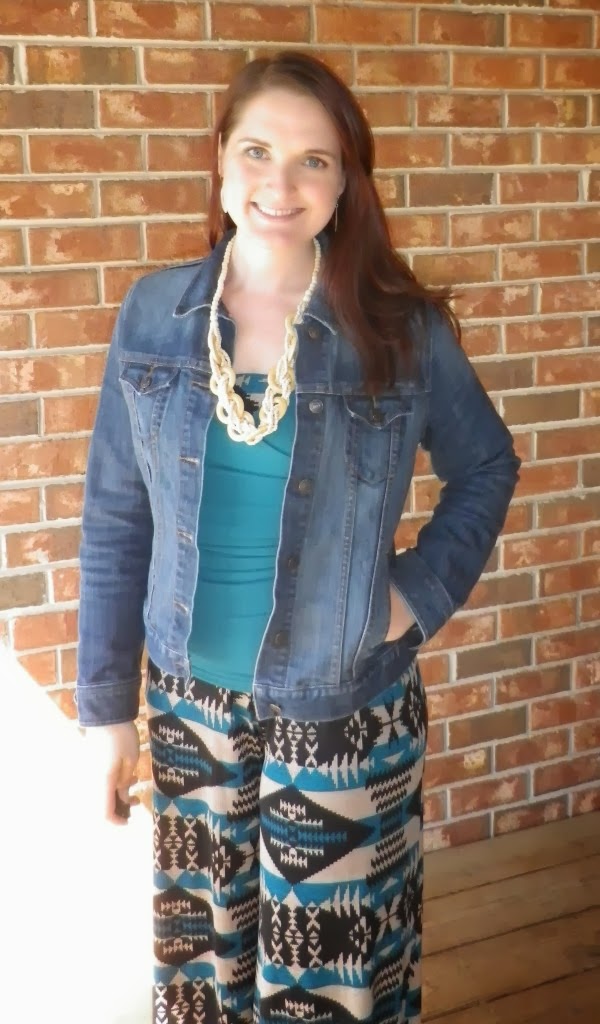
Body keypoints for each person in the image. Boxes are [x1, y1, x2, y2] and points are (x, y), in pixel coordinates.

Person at [77, 50, 520, 1024]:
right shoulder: (153, 313)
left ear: (347, 179)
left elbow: (487, 465)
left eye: (314, 160)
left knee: (328, 985)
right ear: (220, 160)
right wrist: (108, 713)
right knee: (206, 976)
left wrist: (413, 595)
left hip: (342, 711)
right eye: (258, 151)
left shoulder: (396, 328)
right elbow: (115, 516)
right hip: (190, 710)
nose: (281, 183)